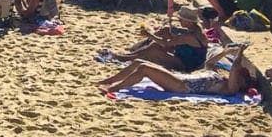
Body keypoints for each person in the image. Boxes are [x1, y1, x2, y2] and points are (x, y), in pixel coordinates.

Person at [97, 42, 252, 96]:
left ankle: (113, 88)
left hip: (183, 86)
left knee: (144, 68)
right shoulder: (221, 78)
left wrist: (240, 54)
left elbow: (234, 69)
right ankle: (108, 81)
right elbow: (210, 64)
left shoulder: (230, 88)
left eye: (241, 77)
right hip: (179, 78)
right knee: (138, 61)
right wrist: (225, 52)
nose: (237, 76)